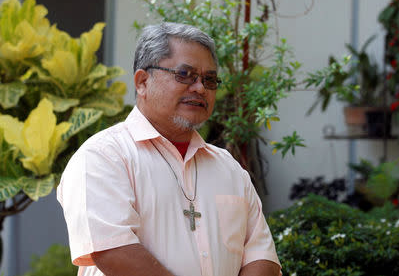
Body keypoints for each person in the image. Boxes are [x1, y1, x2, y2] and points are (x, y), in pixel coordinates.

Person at [57, 22, 281, 276]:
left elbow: (262, 257)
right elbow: (113, 252)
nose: (199, 88)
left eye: (209, 79)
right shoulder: (103, 156)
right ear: (142, 82)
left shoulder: (228, 168)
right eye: (184, 75)